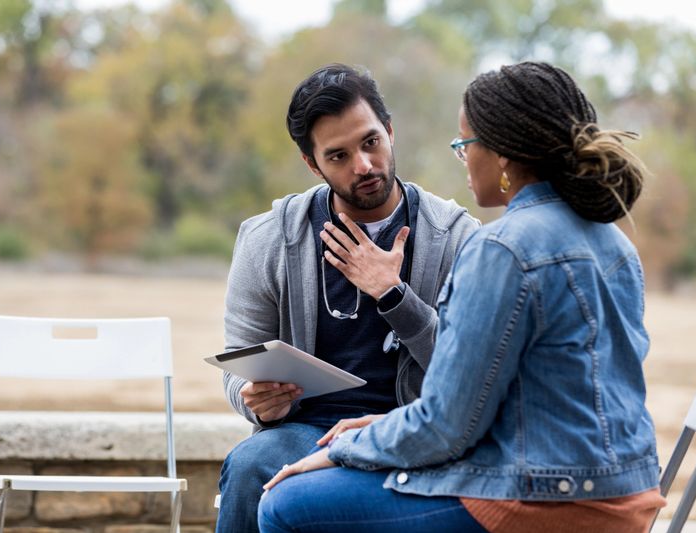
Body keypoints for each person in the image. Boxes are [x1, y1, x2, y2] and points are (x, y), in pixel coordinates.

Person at [258, 61, 665, 533]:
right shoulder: (611, 239)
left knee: (285, 506)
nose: (464, 158)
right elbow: (530, 398)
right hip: (628, 492)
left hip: (542, 500)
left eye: (465, 145)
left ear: (504, 156)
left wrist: (342, 449)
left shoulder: (501, 249)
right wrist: (379, 428)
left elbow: (447, 428)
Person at [216, 63, 479, 533]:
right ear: (312, 164)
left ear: (391, 131)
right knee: (252, 462)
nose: (363, 165)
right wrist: (255, 400)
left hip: (412, 430)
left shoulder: (457, 238)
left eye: (371, 142)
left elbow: (471, 373)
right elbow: (241, 364)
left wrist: (394, 294)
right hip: (307, 434)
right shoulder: (267, 239)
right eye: (338, 156)